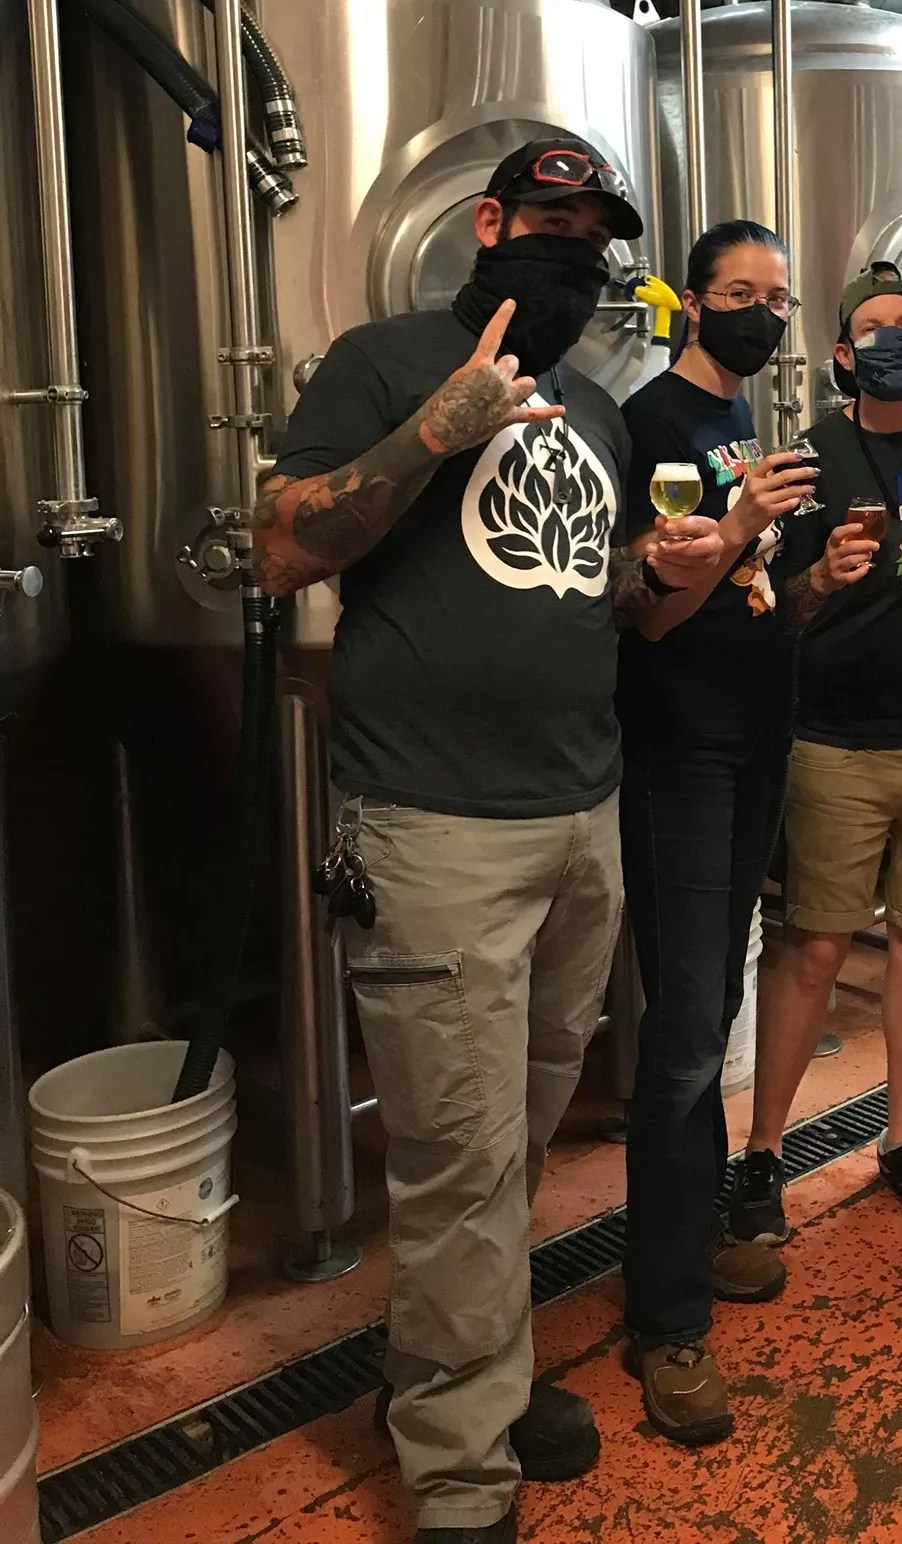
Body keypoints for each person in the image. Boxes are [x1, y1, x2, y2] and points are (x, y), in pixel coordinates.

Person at [254, 136, 728, 1544]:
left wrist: (668, 569)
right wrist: (435, 431)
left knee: (510, 1147)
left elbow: (600, 593)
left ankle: (471, 1376)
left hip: (580, 820)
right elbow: (281, 545)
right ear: (487, 222)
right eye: (549, 220)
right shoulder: (384, 362)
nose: (573, 249)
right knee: (459, 1162)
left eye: (594, 233)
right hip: (432, 826)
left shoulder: (597, 406)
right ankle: (460, 1475)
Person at [617, 219, 876, 1447]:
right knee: (681, 1032)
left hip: (757, 736)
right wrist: (730, 530)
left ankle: (692, 1237)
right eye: (739, 292)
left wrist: (823, 581)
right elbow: (650, 616)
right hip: (680, 749)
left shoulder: (743, 427)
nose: (764, 313)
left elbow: (762, 604)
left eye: (778, 298)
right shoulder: (652, 424)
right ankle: (664, 1314)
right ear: (692, 301)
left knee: (714, 1001)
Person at [731, 259, 902, 1245]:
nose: (896, 341)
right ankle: (762, 1151)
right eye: (875, 329)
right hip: (835, 744)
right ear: (842, 352)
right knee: (817, 948)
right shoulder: (810, 457)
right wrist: (825, 579)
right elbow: (777, 608)